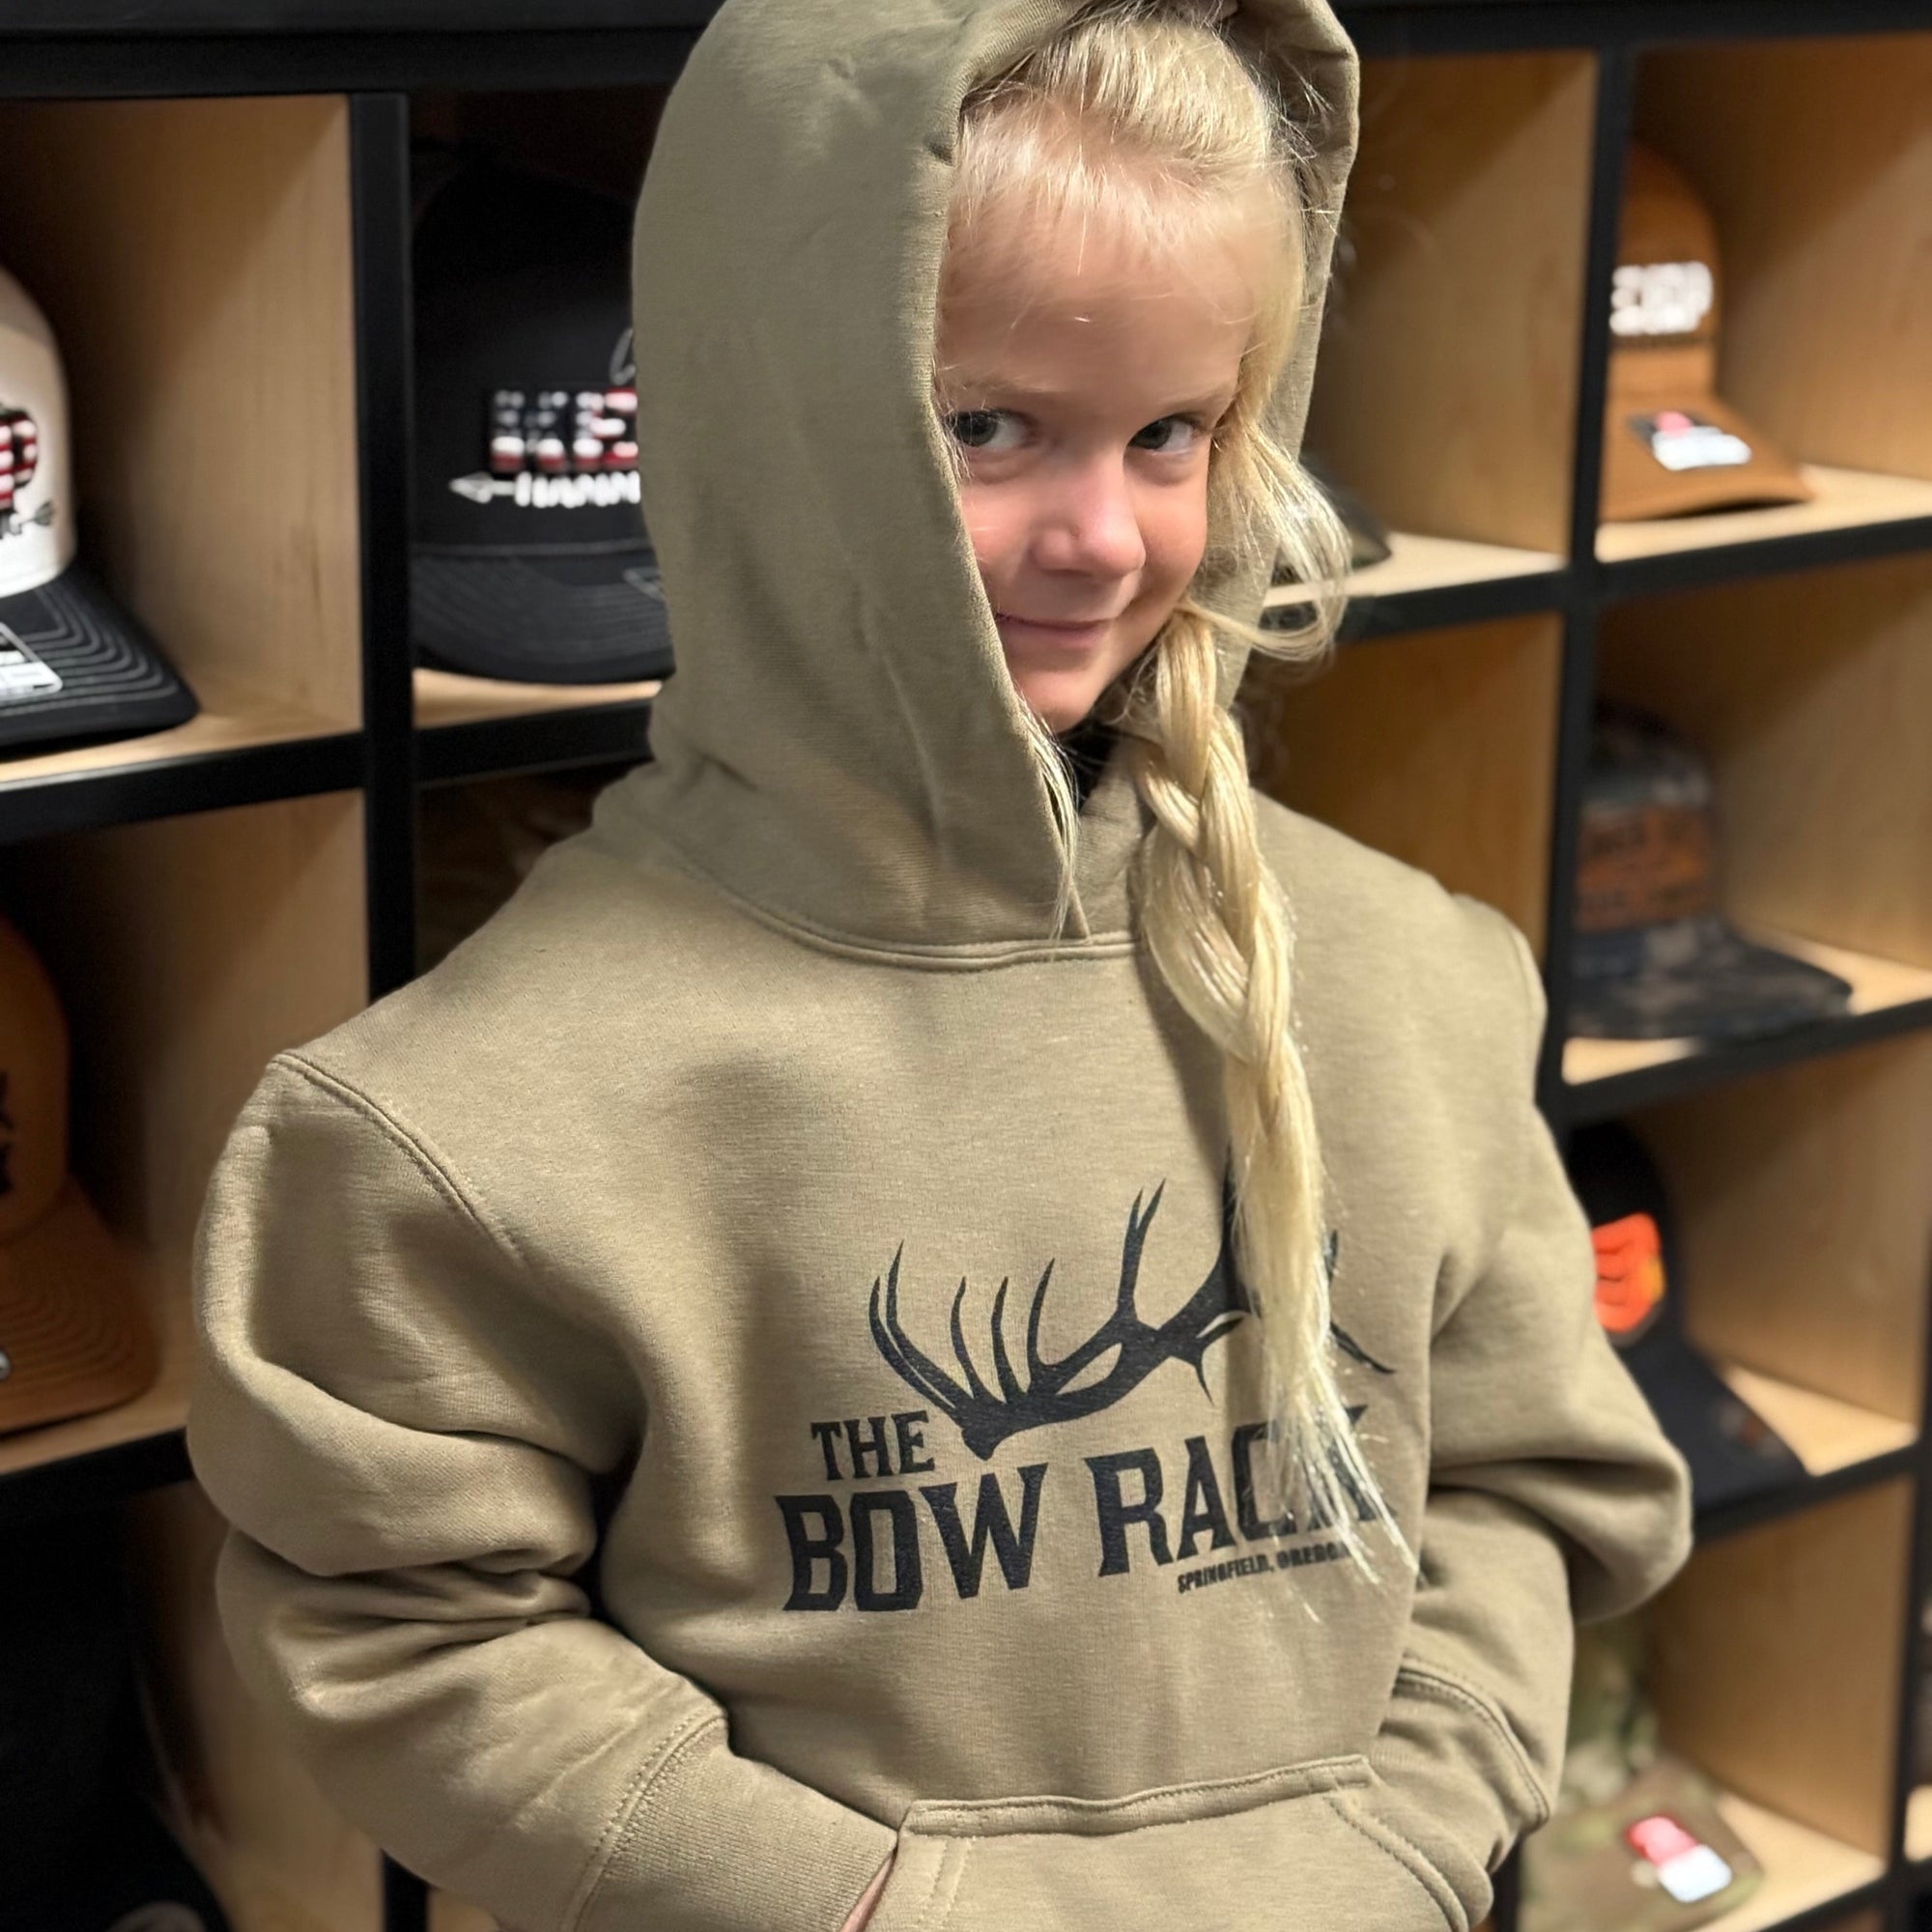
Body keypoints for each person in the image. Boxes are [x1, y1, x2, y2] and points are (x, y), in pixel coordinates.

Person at [186, 2, 1693, 1930]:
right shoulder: (455, 1120)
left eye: (1170, 433)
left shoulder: (1412, 979)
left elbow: (1523, 1482)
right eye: (986, 429)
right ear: (770, 411)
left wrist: (1394, 1849)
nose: (1101, 538)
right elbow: (414, 1636)